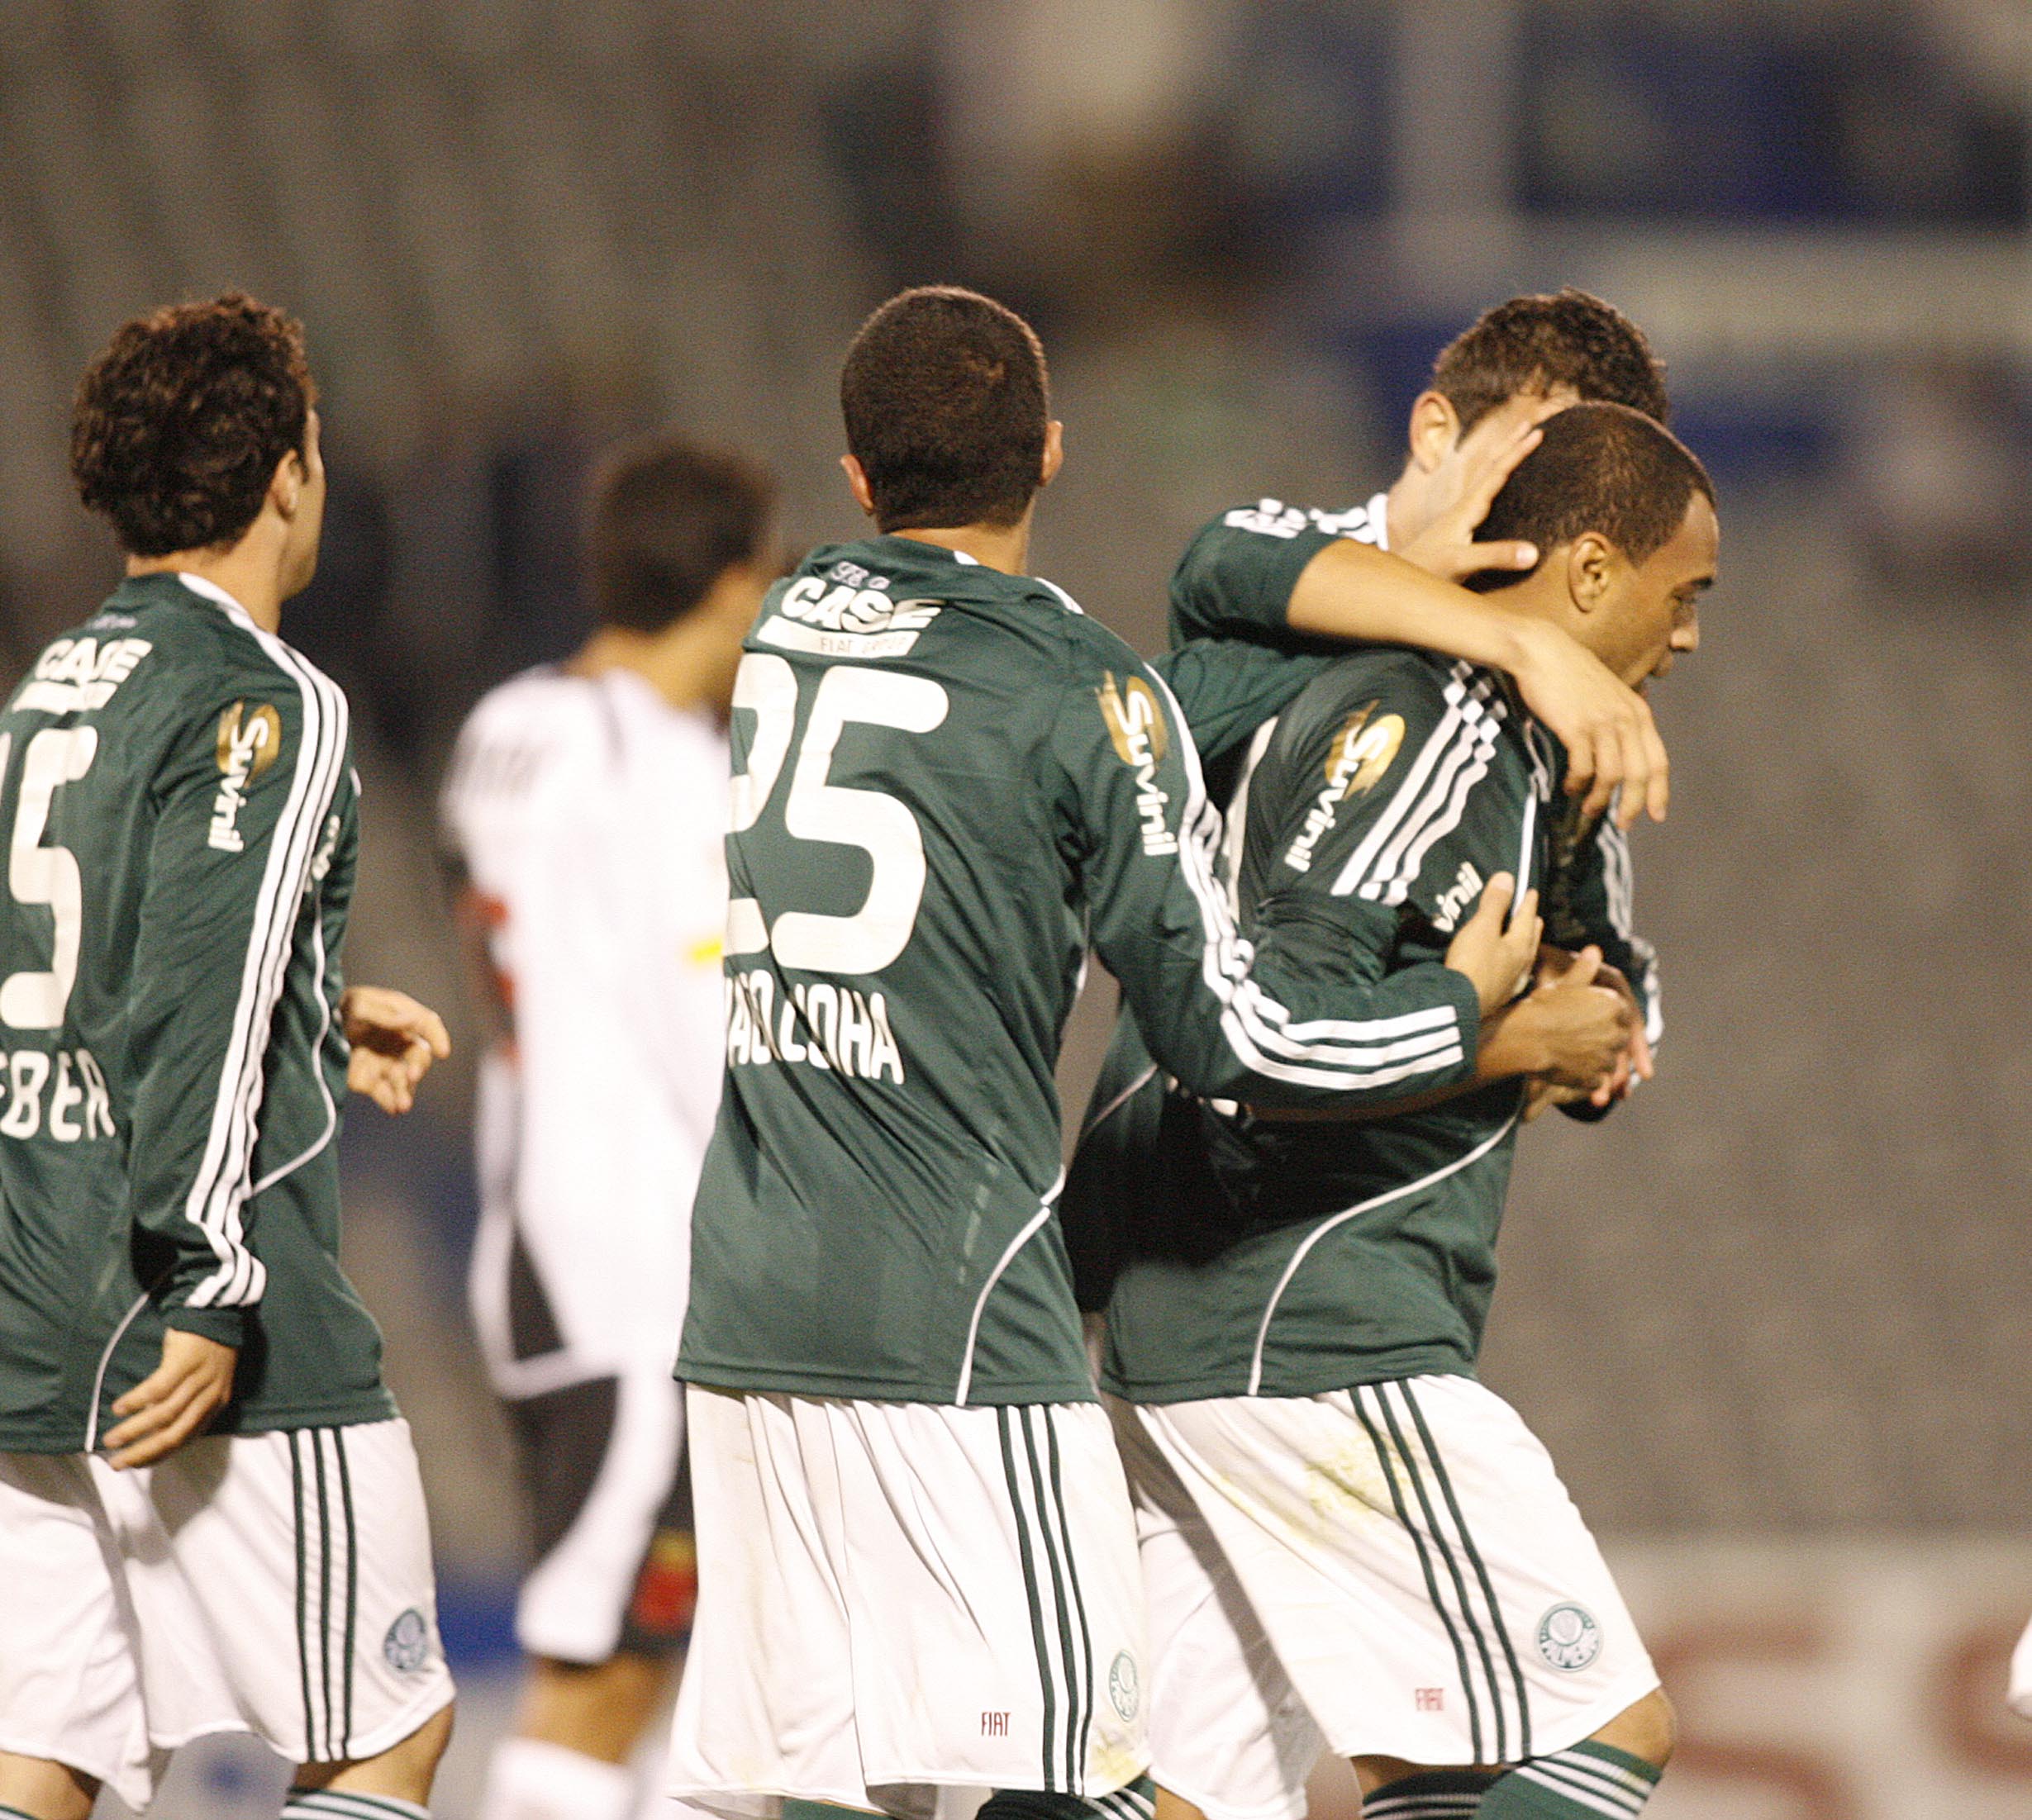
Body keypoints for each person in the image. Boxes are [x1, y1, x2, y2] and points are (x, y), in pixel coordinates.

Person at [662, 284, 1574, 1820]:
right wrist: (1463, 1011)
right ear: (1056, 453)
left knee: (830, 1784)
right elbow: (1233, 1034)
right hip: (951, 1322)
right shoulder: (1085, 695)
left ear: (857, 479)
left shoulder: (785, 626)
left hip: (748, 1305)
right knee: (1096, 1779)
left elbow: (1164, 667)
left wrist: (1377, 582)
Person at [1087, 403, 1717, 1820]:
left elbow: (1605, 985)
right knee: (1600, 1726)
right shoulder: (1427, 720)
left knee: (1222, 1790)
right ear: (1592, 571)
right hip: (1308, 1325)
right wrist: (1493, 1039)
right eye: (1684, 596)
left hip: (1214, 1331)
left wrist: (1592, 1025)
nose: (1687, 639)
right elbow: (1256, 1033)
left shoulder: (1542, 758)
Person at [0, 295, 455, 1820]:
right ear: (283, 474)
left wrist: (314, 1004)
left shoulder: (56, 684)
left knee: (45, 1755)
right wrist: (206, 1273)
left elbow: (70, 973)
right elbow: (193, 987)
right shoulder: (266, 695)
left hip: (29, 1300)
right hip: (213, 1320)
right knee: (384, 1735)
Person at [1067, 288, 1677, 1311]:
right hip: (1161, 1172)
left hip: (1336, 1252)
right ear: (1435, 430)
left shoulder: (1556, 718)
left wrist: (1597, 1017)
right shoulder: (1274, 572)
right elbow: (1219, 562)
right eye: (1538, 460)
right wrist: (1513, 640)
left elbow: (1615, 967)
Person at [440, 436, 778, 1820]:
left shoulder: (504, 725)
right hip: (643, 1267)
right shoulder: (669, 767)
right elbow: (697, 1025)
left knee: (672, 1667)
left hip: (532, 1234)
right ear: (733, 580)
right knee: (608, 1673)